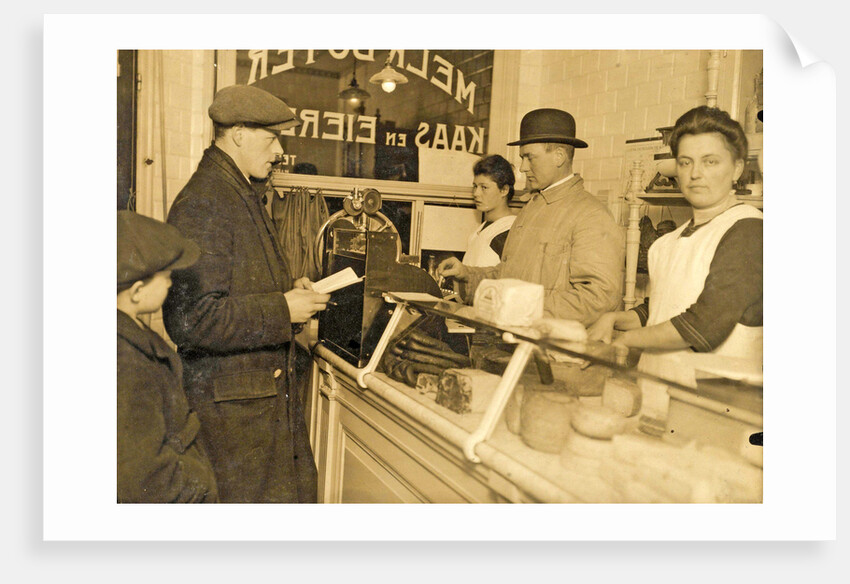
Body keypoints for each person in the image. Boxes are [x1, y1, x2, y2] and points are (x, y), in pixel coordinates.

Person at [162, 84, 330, 503]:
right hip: (234, 421)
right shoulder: (207, 200)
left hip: (252, 409)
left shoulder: (237, 190)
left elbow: (234, 287)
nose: (279, 151)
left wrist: (288, 292)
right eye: (272, 137)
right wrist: (283, 308)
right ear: (237, 133)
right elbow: (191, 319)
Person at [588, 106, 763, 417]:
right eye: (686, 162)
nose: (695, 174)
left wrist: (628, 340)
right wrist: (615, 319)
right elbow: (662, 307)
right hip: (654, 393)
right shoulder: (669, 241)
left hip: (715, 406)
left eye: (711, 162)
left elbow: (705, 325)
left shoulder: (749, 230)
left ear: (737, 168)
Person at [437, 108, 624, 326]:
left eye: (529, 158)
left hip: (550, 355)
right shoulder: (531, 208)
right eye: (522, 158)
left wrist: (518, 308)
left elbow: (599, 298)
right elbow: (505, 277)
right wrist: (466, 276)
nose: (524, 168)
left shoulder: (591, 215)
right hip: (511, 345)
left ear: (559, 156)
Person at [117, 210, 218, 503]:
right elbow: (146, 477)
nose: (171, 282)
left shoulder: (129, 331)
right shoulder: (127, 364)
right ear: (137, 291)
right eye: (166, 276)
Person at [461, 154, 516, 268]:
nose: (476, 193)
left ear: (504, 190)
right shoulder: (483, 228)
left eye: (484, 187)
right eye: (475, 186)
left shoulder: (509, 231)